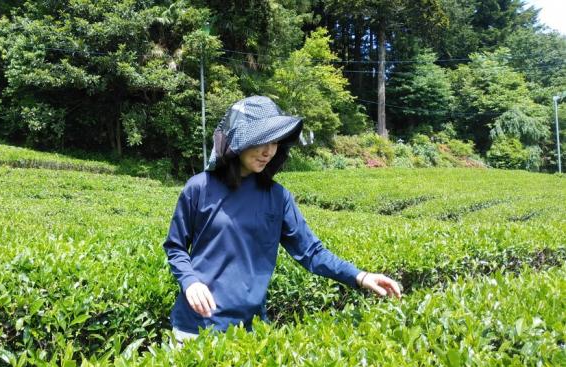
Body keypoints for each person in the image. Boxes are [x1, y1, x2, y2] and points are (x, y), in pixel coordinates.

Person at [163, 96, 401, 343]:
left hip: (250, 331)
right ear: (241, 140)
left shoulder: (278, 197)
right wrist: (190, 282)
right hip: (195, 328)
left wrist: (360, 276)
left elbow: (311, 252)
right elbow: (176, 247)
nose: (269, 151)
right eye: (262, 141)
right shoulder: (199, 188)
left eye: (275, 142)